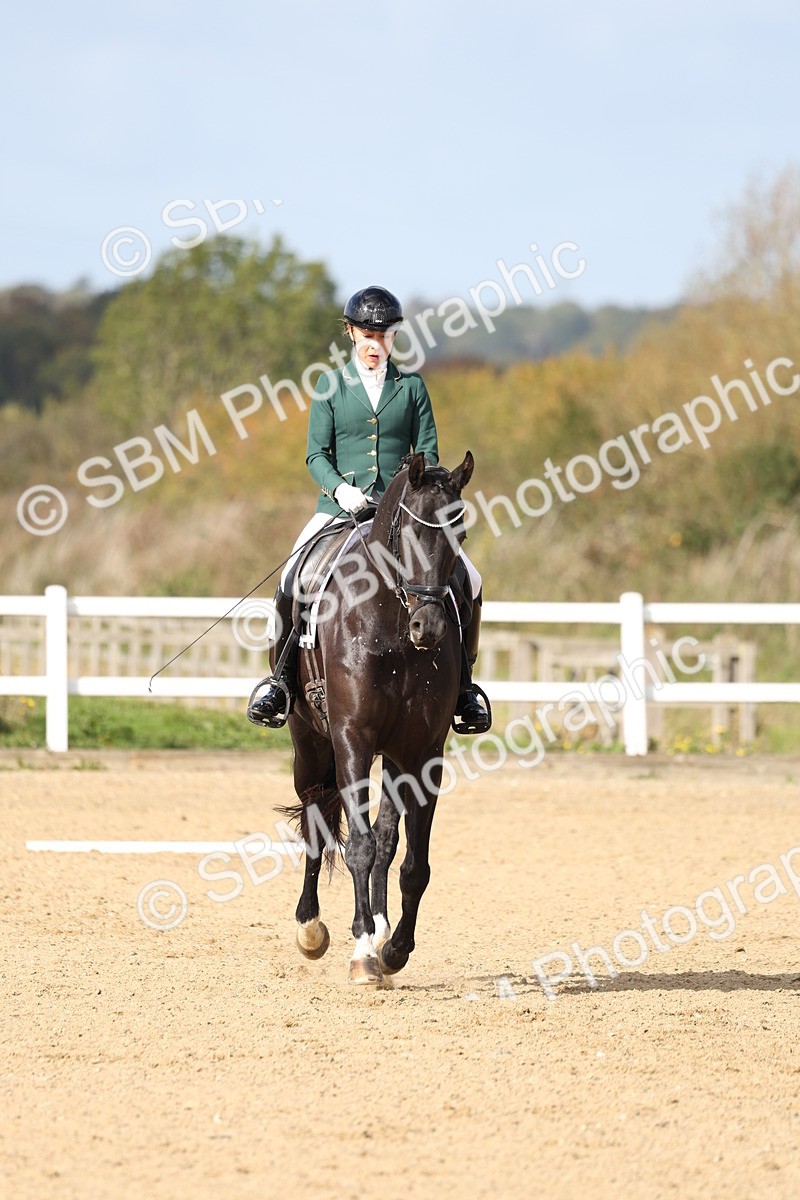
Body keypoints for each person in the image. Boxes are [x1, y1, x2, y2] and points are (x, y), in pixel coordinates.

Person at [247, 285, 490, 733]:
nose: (375, 344)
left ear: (395, 337)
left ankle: (466, 689)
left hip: (404, 514)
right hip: (340, 507)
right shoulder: (330, 386)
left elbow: (429, 453)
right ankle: (279, 681)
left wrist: (407, 495)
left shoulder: (412, 386)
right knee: (293, 577)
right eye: (367, 335)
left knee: (470, 579)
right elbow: (316, 455)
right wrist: (341, 491)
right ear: (351, 334)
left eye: (385, 335)